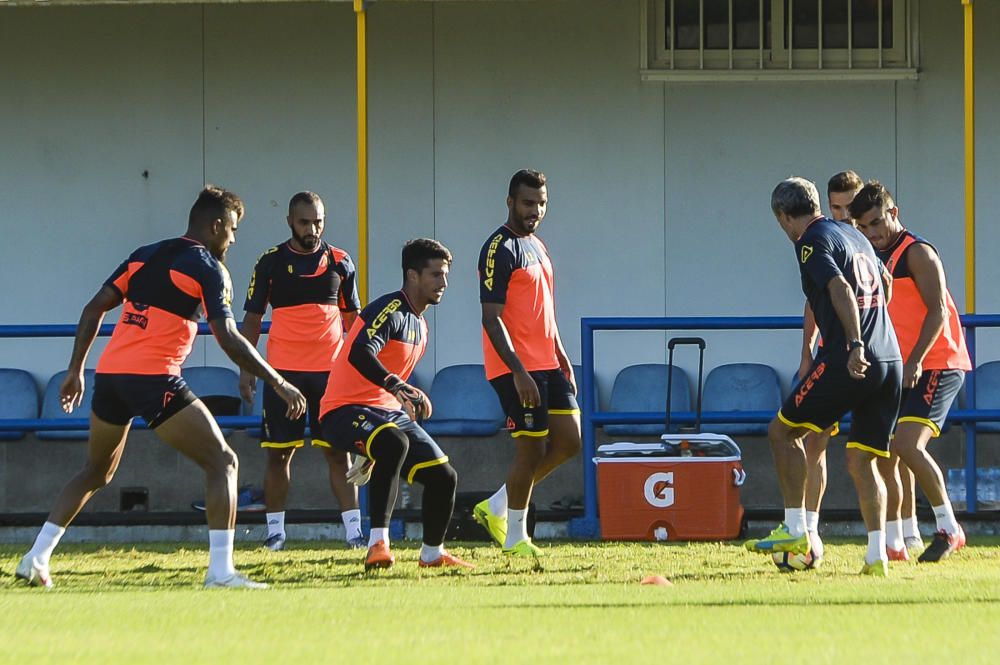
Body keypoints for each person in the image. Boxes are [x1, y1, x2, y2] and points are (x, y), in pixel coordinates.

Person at [15, 186, 306, 590]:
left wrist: (75, 370)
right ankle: (221, 573)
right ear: (216, 224)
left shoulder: (143, 254)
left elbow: (93, 308)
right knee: (224, 462)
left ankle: (36, 557)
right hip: (155, 378)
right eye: (233, 230)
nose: (234, 240)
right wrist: (276, 380)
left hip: (112, 377)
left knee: (96, 471)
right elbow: (227, 336)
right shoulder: (207, 266)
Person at [746, 177, 902, 576]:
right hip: (890, 359)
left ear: (784, 217)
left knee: (782, 432)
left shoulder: (810, 242)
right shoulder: (855, 236)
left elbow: (838, 288)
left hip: (852, 359)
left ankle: (796, 528)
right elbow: (884, 283)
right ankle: (876, 556)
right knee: (861, 460)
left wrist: (853, 344)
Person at [318, 239, 473, 571]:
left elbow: (389, 378)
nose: (443, 283)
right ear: (412, 276)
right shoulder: (390, 309)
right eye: (436, 275)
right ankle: (377, 544)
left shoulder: (420, 324)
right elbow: (361, 352)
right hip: (342, 410)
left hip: (383, 414)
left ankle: (432, 553)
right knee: (392, 441)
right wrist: (398, 385)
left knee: (444, 476)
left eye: (445, 276)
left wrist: (406, 396)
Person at [852, 181, 970, 563]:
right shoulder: (872, 256)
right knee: (885, 453)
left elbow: (938, 310)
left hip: (937, 361)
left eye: (877, 222)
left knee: (907, 445)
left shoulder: (917, 253)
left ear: (893, 213)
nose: (873, 232)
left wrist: (916, 358)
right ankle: (897, 541)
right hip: (900, 366)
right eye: (865, 227)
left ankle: (950, 528)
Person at [240, 191, 363, 551]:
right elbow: (251, 319)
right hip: (283, 376)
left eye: (319, 221)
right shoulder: (271, 262)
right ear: (290, 221)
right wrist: (247, 370)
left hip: (330, 376)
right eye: (305, 222)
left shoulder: (340, 261)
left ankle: (354, 532)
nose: (313, 228)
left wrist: (357, 370)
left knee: (337, 453)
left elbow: (353, 319)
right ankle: (276, 533)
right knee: (279, 453)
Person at [473, 169, 581, 559]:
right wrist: (518, 370)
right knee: (531, 450)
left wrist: (562, 354)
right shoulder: (498, 248)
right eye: (528, 202)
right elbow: (491, 317)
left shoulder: (537, 245)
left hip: (548, 361)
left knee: (570, 441)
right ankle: (516, 536)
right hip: (516, 367)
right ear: (510, 202)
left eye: (541, 203)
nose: (535, 210)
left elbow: (544, 311)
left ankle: (498, 504)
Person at [798, 170, 864, 562]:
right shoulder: (826, 240)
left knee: (882, 450)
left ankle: (898, 533)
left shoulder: (872, 242)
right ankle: (809, 530)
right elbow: (814, 298)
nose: (843, 216)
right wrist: (807, 348)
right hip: (835, 354)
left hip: (873, 354)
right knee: (814, 440)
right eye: (835, 207)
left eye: (850, 208)